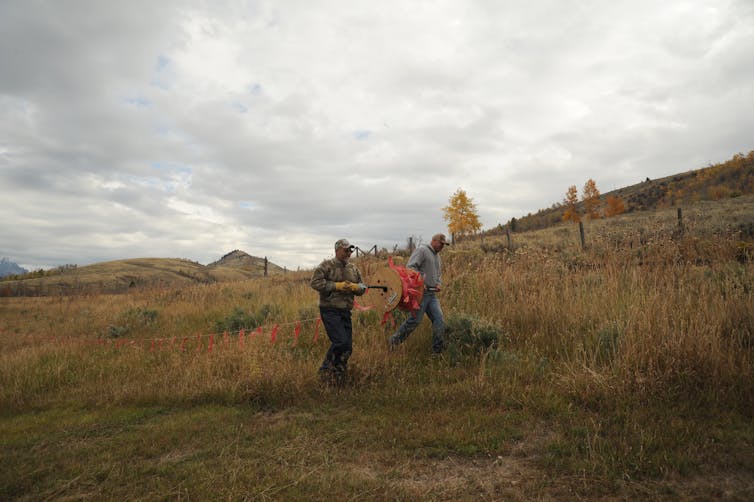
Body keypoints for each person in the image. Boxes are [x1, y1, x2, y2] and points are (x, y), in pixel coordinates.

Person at [310, 238, 367, 384]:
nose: (349, 253)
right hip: (329, 309)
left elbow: (363, 287)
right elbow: (315, 283)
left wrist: (357, 288)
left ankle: (338, 375)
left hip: (346, 310)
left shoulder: (353, 269)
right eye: (346, 250)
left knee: (347, 347)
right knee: (340, 341)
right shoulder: (326, 266)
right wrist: (336, 286)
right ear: (337, 250)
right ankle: (324, 371)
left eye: (350, 250)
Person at [389, 233, 450, 354]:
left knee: (439, 320)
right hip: (420, 294)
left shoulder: (437, 257)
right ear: (433, 240)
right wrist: (421, 282)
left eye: (444, 244)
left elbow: (438, 275)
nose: (442, 246)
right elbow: (410, 268)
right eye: (441, 243)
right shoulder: (422, 250)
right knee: (415, 321)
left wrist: (438, 284)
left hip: (432, 295)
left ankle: (437, 352)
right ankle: (393, 341)